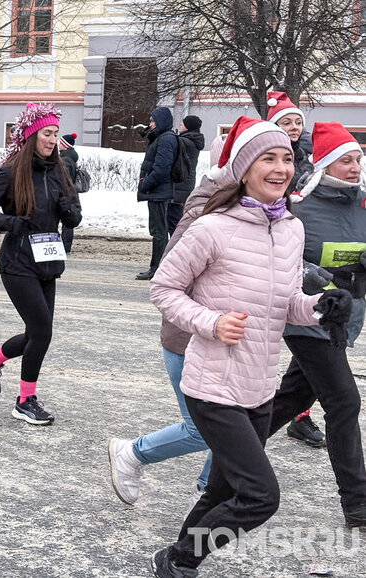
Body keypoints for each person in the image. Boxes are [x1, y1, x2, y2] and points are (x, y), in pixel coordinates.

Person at [147, 116, 350, 577]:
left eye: (286, 158)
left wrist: (320, 307)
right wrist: (211, 322)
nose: (280, 168)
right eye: (267, 159)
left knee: (222, 492)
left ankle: (174, 562)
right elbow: (163, 289)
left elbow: (286, 304)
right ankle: (182, 558)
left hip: (259, 388)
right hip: (213, 386)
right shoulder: (211, 228)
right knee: (260, 496)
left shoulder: (291, 229)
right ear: (243, 169)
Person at [108, 137, 232, 507]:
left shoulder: (256, 215)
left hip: (234, 342)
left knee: (240, 424)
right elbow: (167, 283)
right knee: (204, 430)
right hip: (189, 340)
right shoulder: (204, 215)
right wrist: (207, 322)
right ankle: (133, 453)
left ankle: (208, 490)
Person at [266, 121, 366, 529]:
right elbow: (280, 259)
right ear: (326, 165)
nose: (355, 167)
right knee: (344, 402)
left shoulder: (363, 204)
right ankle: (358, 505)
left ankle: (229, 454)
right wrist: (315, 277)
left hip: (347, 320)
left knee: (292, 398)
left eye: (358, 159)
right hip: (307, 319)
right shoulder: (299, 208)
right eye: (346, 160)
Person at [0, 102, 82, 426]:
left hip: (48, 262)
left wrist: (67, 208)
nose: (52, 139)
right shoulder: (11, 172)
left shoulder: (60, 171)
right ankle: (25, 401)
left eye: (55, 133)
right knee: (41, 331)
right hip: (18, 262)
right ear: (32, 135)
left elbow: (74, 217)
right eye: (47, 133)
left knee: (39, 333)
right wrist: (15, 223)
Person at [264, 91, 324, 446]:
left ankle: (298, 415)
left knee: (314, 343)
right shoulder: (265, 161)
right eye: (286, 122)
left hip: (309, 250)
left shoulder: (309, 159)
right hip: (279, 254)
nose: (294, 127)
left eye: (298, 121)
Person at [136, 107, 178, 281]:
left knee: (159, 232)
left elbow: (161, 168)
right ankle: (158, 267)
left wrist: (146, 184)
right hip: (157, 191)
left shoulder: (166, 139)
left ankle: (157, 268)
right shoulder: (162, 137)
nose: (150, 124)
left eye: (153, 120)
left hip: (158, 192)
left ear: (161, 121)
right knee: (159, 231)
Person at [168, 115, 205, 235]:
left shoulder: (186, 142)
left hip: (180, 185)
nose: (180, 124)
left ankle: (177, 242)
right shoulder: (191, 140)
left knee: (174, 221)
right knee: (176, 218)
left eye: (183, 123)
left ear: (189, 126)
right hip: (184, 184)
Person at [58, 132, 80, 253]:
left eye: (60, 143)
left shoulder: (65, 160)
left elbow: (63, 178)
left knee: (66, 220)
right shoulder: (70, 157)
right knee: (68, 219)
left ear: (65, 145)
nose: (58, 145)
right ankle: (65, 246)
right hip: (70, 192)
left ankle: (65, 247)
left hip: (66, 193)